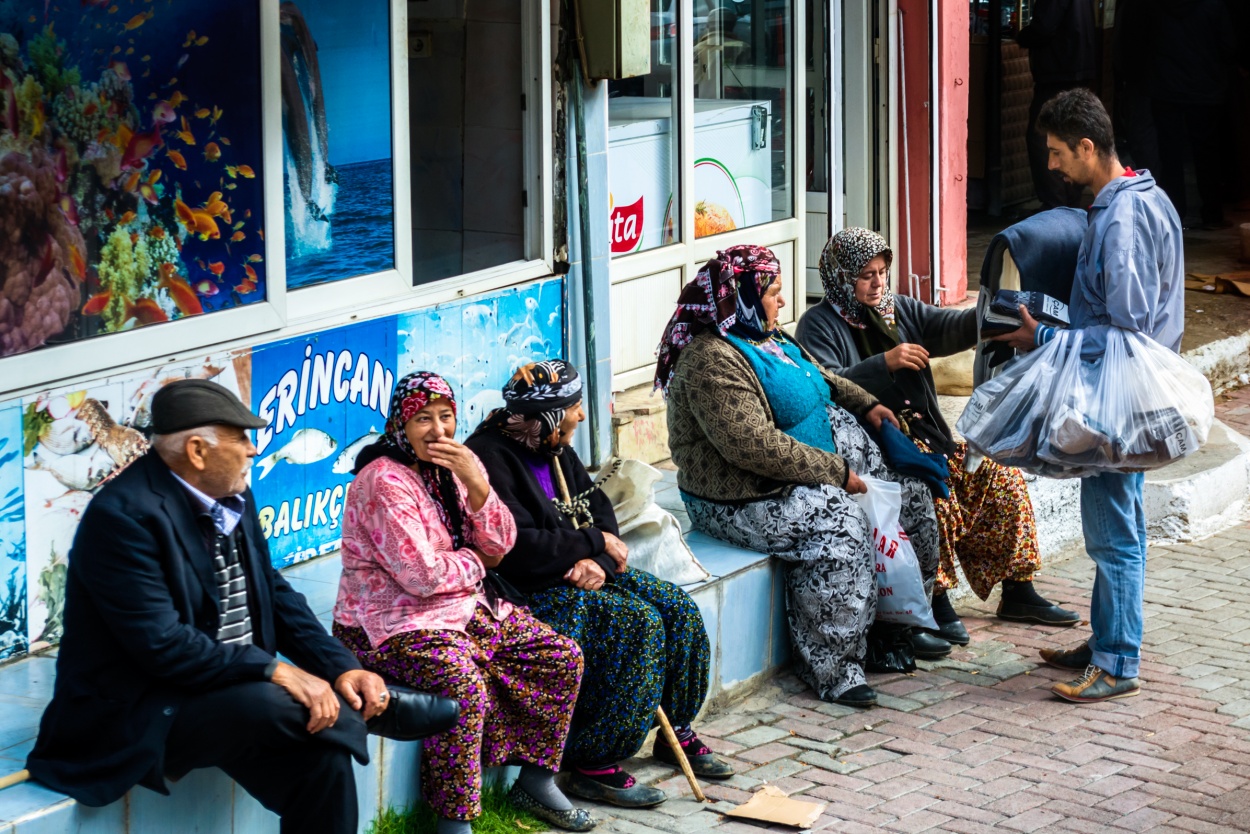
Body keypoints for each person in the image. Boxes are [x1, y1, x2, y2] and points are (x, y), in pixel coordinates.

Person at [26, 380, 457, 834]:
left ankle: (354, 705)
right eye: (240, 438)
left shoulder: (231, 493)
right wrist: (276, 671)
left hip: (227, 688)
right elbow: (163, 646)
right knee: (277, 700)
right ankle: (374, 712)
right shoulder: (122, 518)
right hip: (149, 705)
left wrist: (340, 668)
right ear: (196, 451)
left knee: (323, 755)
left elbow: (273, 593)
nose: (253, 450)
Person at [656, 245, 947, 708]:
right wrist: (836, 472)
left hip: (808, 465)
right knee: (840, 525)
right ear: (743, 299)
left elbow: (823, 377)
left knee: (910, 493)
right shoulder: (711, 359)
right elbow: (752, 445)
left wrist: (866, 404)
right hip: (746, 493)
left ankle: (894, 626)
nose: (783, 302)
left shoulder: (768, 336)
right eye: (774, 292)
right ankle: (835, 667)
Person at [332, 371, 594, 833]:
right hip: (389, 624)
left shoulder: (452, 468)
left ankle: (535, 780)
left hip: (458, 609)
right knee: (462, 684)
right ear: (400, 425)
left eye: (446, 417)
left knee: (558, 656)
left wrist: (476, 482)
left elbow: (501, 543)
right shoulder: (383, 482)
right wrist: (476, 562)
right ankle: (453, 821)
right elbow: (422, 576)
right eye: (423, 419)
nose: (438, 431)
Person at [795, 228, 1079, 646]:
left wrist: (996, 317)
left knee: (999, 474)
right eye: (866, 275)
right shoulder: (818, 325)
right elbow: (823, 386)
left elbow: (949, 327)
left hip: (927, 437)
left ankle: (1019, 591)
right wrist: (884, 363)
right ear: (840, 277)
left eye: (882, 273)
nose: (877, 284)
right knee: (934, 492)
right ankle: (934, 599)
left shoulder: (898, 310)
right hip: (878, 449)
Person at [466, 360, 730, 809]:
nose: (581, 416)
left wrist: (603, 562)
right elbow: (518, 548)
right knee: (636, 625)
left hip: (582, 571)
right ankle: (593, 761)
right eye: (573, 406)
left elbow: (601, 511)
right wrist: (589, 545)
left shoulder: (554, 446)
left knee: (676, 607)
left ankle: (675, 727)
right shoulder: (491, 458)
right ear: (548, 414)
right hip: (528, 587)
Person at [994, 89, 1183, 703]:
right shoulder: (1148, 198)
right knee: (1118, 522)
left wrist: (1042, 334)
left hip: (1116, 395)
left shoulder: (1122, 217)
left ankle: (1117, 662)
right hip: (1132, 391)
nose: (1051, 166)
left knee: (1113, 532)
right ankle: (1106, 638)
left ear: (1086, 147)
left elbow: (1125, 329)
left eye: (1056, 154)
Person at [1142, 0, 1236, 228]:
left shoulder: (1155, 6)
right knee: (1207, 155)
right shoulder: (1214, 5)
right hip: (1205, 90)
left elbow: (1144, 42)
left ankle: (1175, 214)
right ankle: (1212, 214)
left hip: (1166, 90)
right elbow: (1228, 47)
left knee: (1170, 155)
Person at [1017, 0, 1097, 208]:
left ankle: (1056, 204)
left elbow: (1043, 27)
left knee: (1042, 138)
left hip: (1058, 69)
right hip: (1077, 66)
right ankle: (1069, 200)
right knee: (1071, 136)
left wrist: (1022, 36)